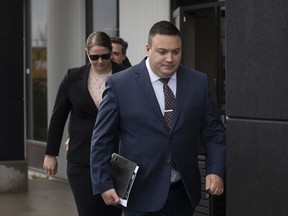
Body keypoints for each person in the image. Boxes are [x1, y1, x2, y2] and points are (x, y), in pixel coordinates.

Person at [90, 21, 226, 216]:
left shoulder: (198, 82)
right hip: (139, 194)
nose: (170, 59)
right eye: (162, 52)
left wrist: (216, 170)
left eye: (176, 52)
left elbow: (214, 133)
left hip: (183, 194)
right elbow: (101, 139)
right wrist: (103, 183)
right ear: (148, 49)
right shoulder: (120, 85)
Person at [43, 31, 124, 216]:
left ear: (112, 52)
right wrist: (50, 153)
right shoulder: (73, 77)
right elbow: (58, 116)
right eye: (94, 57)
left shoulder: (124, 75)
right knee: (88, 211)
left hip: (117, 158)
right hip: (81, 159)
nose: (101, 61)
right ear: (87, 53)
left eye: (105, 56)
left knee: (112, 212)